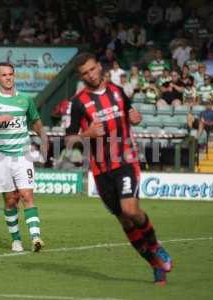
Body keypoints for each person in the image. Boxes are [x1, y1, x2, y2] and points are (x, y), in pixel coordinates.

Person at [66, 53, 172, 285]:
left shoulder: (117, 91)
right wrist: (87, 134)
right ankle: (155, 264)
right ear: (80, 76)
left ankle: (156, 247)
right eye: (85, 73)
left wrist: (136, 117)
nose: (91, 75)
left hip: (125, 160)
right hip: (101, 171)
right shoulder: (78, 102)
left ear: (99, 67)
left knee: (131, 210)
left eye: (93, 69)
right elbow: (69, 139)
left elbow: (132, 115)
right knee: (124, 221)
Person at [0, 62, 48, 253]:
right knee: (10, 200)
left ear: (14, 76)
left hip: (23, 155)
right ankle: (16, 240)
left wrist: (45, 139)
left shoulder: (25, 99)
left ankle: (36, 237)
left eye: (11, 74)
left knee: (27, 195)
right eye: (4, 75)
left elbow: (36, 121)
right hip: (1, 157)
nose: (8, 78)